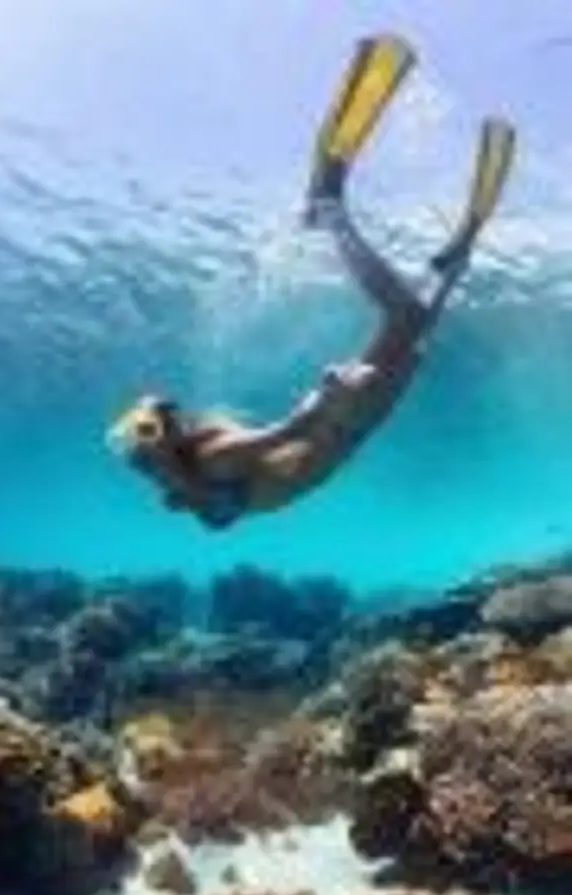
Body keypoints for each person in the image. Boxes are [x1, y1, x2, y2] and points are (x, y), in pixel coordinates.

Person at [108, 33, 516, 530]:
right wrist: (318, 404)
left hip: (345, 421)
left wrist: (326, 402)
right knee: (416, 328)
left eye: (152, 443)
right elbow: (256, 465)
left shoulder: (208, 464)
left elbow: (274, 452)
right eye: (149, 450)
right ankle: (452, 258)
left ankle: (334, 214)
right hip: (338, 421)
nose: (147, 466)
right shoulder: (198, 469)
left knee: (408, 320)